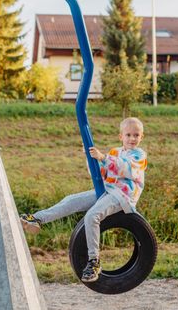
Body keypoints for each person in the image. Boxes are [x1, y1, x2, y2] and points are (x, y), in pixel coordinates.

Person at [20, 117, 147, 282]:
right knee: (70, 200)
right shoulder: (115, 152)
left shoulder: (139, 155)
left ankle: (94, 261)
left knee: (92, 215)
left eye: (136, 135)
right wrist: (90, 158)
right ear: (120, 136)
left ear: (141, 137)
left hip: (123, 196)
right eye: (128, 135)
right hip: (107, 190)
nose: (132, 139)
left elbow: (126, 168)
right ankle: (37, 219)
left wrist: (103, 157)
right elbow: (102, 173)